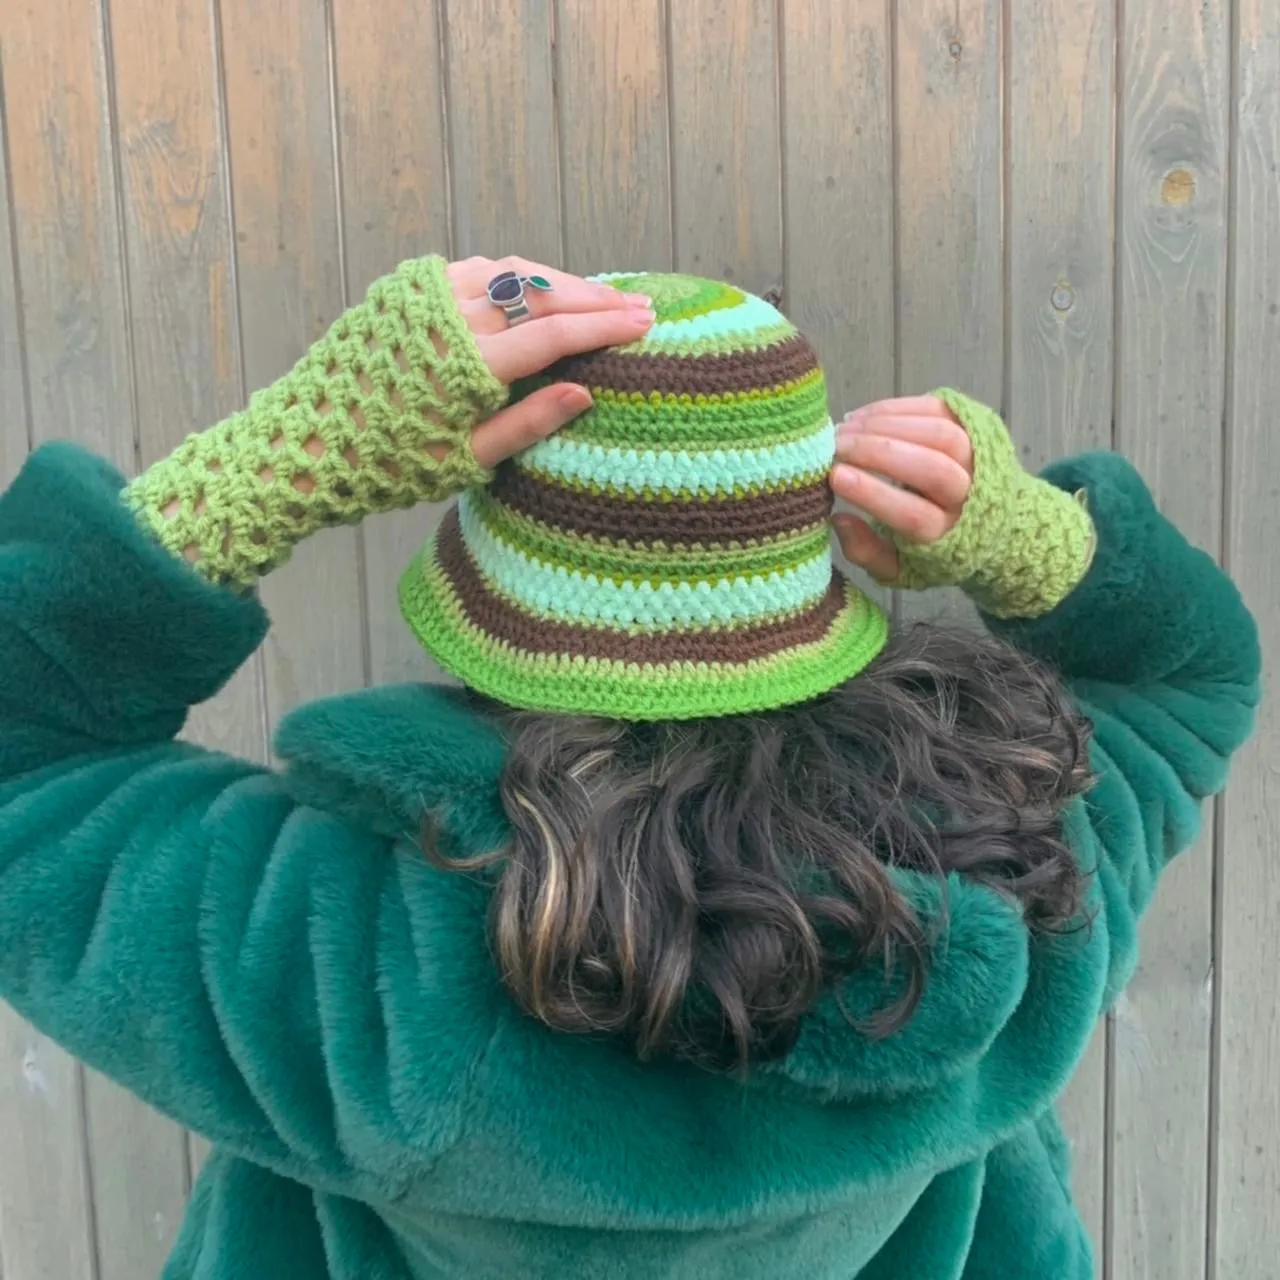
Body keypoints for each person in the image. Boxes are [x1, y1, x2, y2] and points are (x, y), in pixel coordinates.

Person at [0, 255, 1259, 1279]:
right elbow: (1190, 678)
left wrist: (274, 463)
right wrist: (1037, 544)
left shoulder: (350, 951)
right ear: (806, 567)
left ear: (487, 598)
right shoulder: (1014, 882)